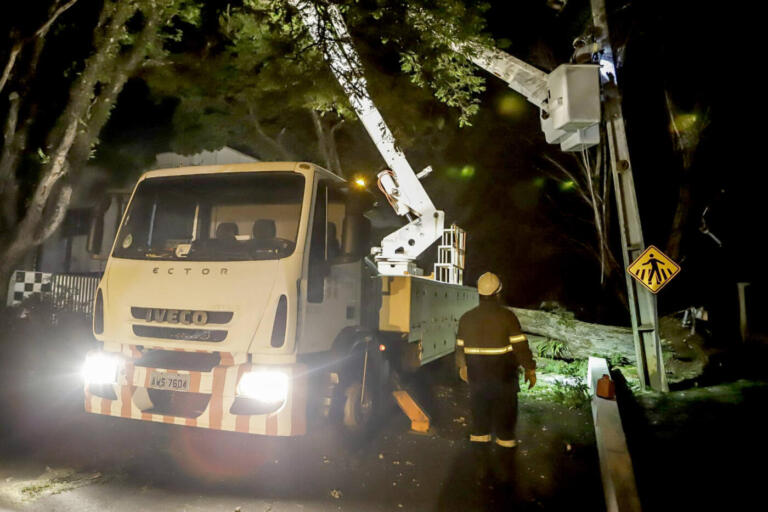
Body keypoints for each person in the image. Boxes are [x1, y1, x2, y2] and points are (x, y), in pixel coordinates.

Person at [456, 272, 536, 448]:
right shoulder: (508, 317)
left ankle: (480, 434)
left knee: (479, 401)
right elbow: (520, 347)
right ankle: (505, 438)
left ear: (479, 293)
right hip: (503, 373)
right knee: (506, 405)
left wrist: (462, 366)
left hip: (477, 373)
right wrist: (530, 368)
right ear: (498, 293)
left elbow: (459, 347)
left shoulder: (466, 318)